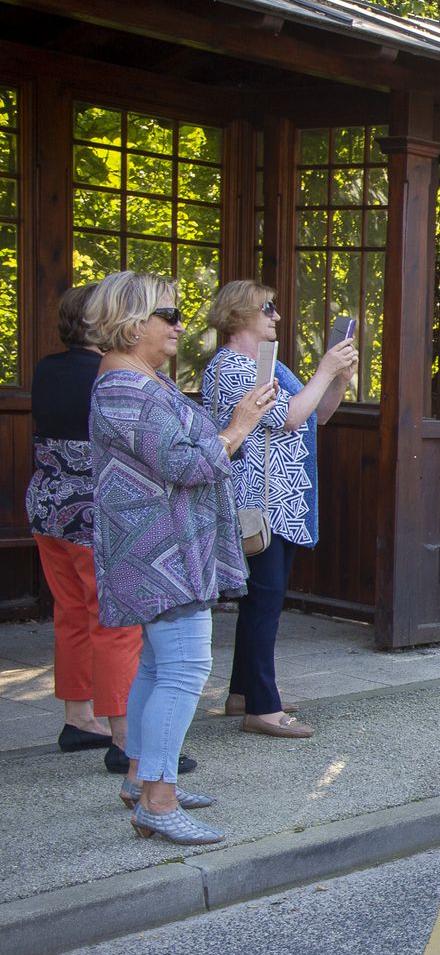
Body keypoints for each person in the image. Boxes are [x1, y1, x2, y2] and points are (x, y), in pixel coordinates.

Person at [85, 272, 279, 845]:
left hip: (168, 550)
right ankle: (158, 800)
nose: (178, 325)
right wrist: (238, 426)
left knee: (156, 666)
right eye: (167, 316)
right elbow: (188, 465)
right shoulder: (123, 388)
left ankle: (138, 777)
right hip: (158, 555)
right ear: (130, 321)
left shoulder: (139, 380)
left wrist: (231, 427)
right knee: (185, 670)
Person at [200, 280, 359, 739]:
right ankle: (262, 709)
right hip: (257, 503)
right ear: (239, 314)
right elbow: (286, 418)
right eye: (267, 308)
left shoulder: (268, 363)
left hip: (283, 502)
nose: (277, 316)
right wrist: (325, 369)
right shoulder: (230, 367)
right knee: (264, 600)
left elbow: (315, 415)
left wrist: (339, 377)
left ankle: (242, 694)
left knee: (263, 598)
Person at [27, 286, 142, 762]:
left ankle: (79, 719)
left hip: (48, 504)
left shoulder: (47, 368)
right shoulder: (107, 373)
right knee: (117, 620)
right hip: (96, 512)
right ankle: (124, 738)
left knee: (72, 613)